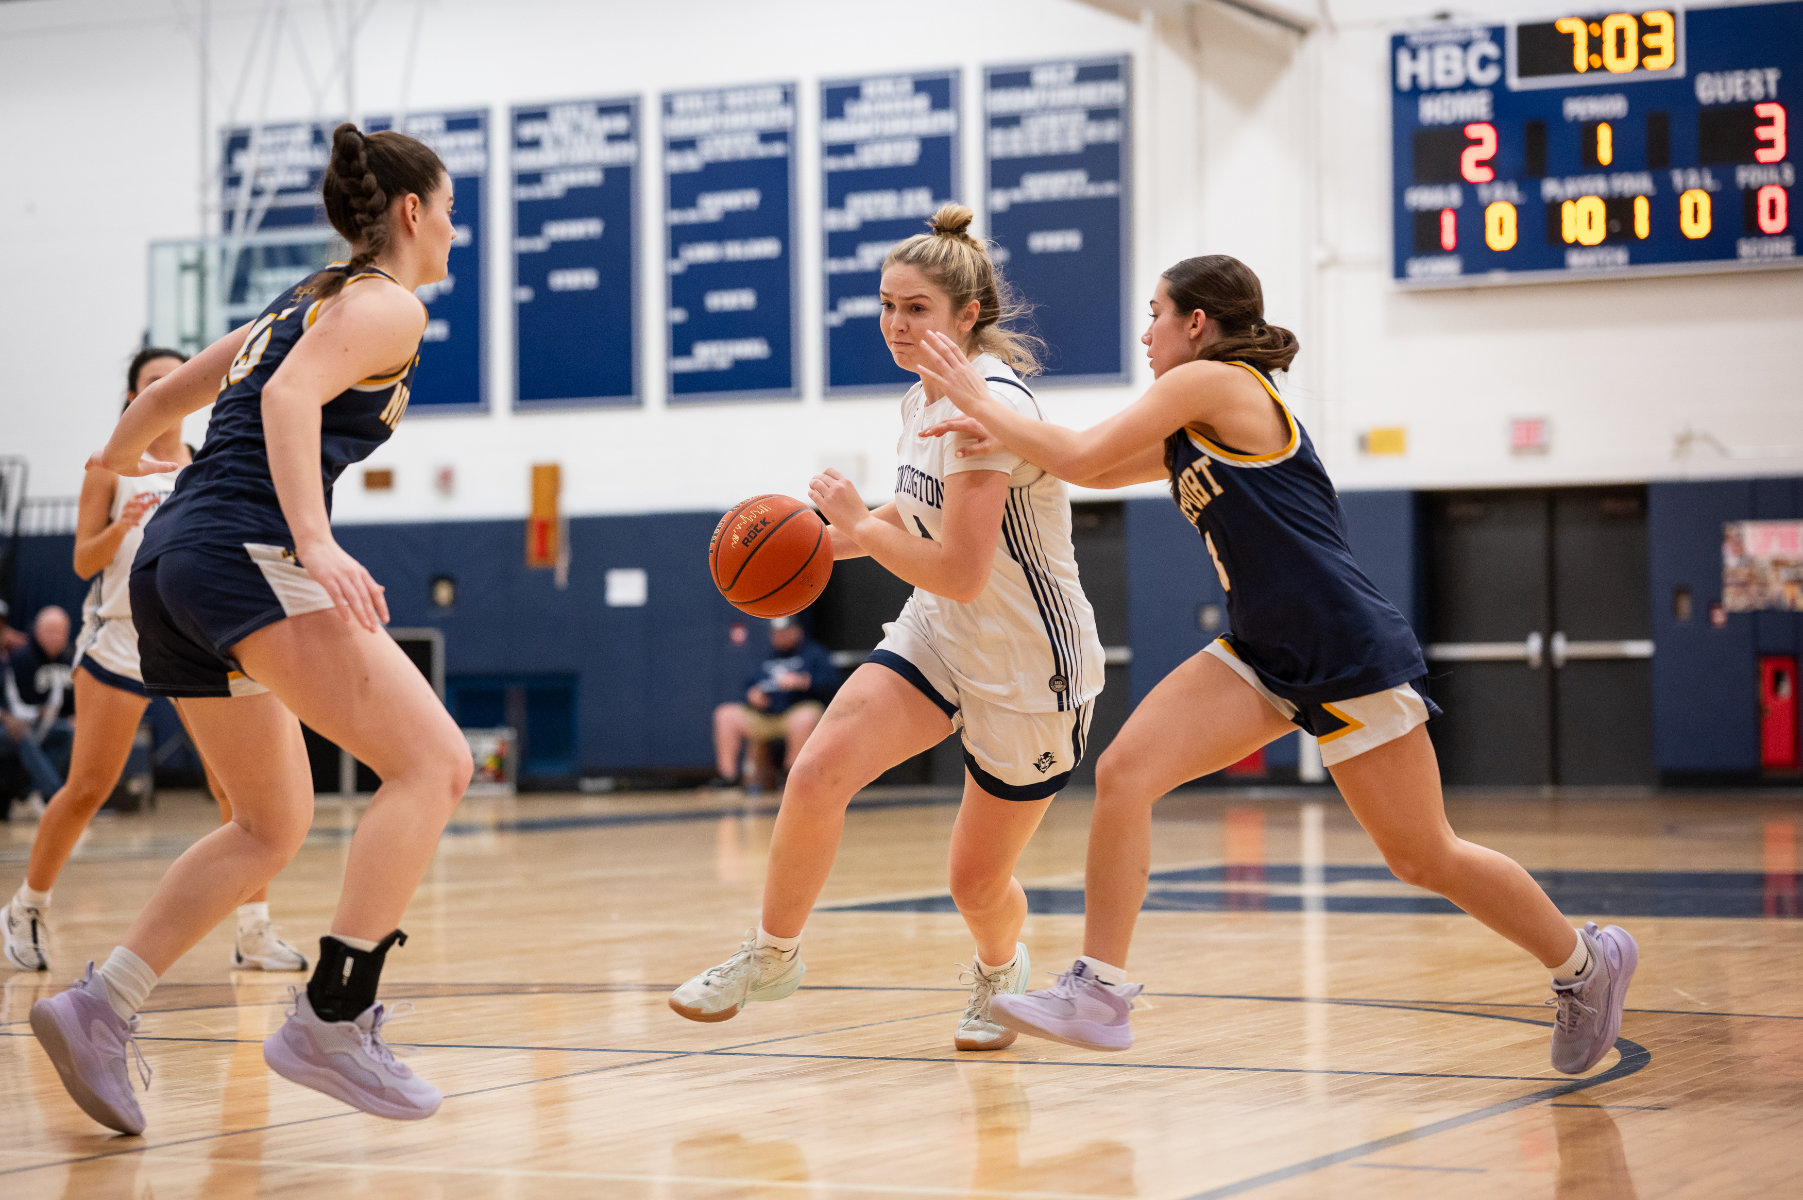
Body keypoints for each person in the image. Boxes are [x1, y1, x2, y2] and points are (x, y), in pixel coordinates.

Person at [914, 254, 1637, 1073]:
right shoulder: (1192, 420)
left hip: (1339, 642)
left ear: (1196, 324)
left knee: (1422, 855)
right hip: (1260, 650)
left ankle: (1585, 963)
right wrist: (998, 439)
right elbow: (1089, 470)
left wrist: (981, 399)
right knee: (1125, 774)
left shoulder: (1213, 384)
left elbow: (1079, 456)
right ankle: (1100, 989)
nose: (1144, 332)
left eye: (1154, 313)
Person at [29, 121, 472, 1136]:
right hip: (244, 552)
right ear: (411, 213)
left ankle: (101, 1005)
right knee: (435, 766)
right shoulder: (390, 306)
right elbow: (284, 396)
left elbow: (173, 391)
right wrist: (313, 541)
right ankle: (333, 1014)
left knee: (268, 825)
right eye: (448, 209)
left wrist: (112, 460)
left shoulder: (308, 296)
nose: (456, 228)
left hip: (173, 567)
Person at [670, 204, 1105, 1052]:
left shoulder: (988, 409)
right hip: (940, 632)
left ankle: (998, 970)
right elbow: (910, 524)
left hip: (1029, 669)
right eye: (885, 304)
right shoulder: (919, 401)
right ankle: (771, 955)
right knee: (816, 772)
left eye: (916, 308)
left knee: (975, 883)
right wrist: (803, 544)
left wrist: (856, 527)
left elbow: (963, 567)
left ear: (966, 315)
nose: (895, 324)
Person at [4, 348, 308, 976]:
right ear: (133, 394)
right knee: (89, 787)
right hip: (119, 636)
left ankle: (253, 931)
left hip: (190, 634)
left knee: (235, 790)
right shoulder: (110, 466)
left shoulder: (205, 465)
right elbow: (84, 563)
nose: (168, 385)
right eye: (153, 380)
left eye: (177, 376)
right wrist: (123, 529)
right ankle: (27, 907)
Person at [710, 616, 838, 790]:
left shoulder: (814, 654)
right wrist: (753, 696)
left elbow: (833, 684)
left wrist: (803, 682)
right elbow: (748, 686)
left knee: (805, 716)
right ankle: (728, 777)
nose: (781, 636)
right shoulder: (764, 656)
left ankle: (792, 775)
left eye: (785, 632)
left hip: (795, 713)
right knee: (725, 714)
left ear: (797, 631)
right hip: (765, 715)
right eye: (777, 633)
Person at [3, 606, 76, 819]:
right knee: (22, 733)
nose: (55, 637)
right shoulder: (18, 659)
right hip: (14, 724)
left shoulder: (69, 661)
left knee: (67, 731)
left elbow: (70, 704)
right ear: (36, 630)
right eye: (50, 631)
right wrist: (13, 716)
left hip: (40, 724)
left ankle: (30, 797)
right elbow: (10, 702)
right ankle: (59, 797)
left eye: (59, 632)